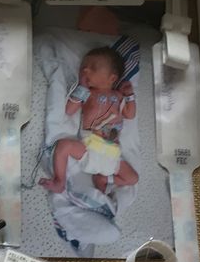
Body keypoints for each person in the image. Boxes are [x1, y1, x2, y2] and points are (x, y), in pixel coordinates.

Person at [39, 46, 138, 195]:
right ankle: (60, 181)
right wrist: (82, 88)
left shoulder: (119, 96)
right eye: (83, 67)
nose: (85, 70)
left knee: (133, 178)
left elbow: (130, 115)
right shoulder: (88, 93)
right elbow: (69, 110)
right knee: (63, 146)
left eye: (93, 67)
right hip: (89, 147)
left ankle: (105, 180)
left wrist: (130, 95)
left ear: (112, 78)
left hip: (113, 154)